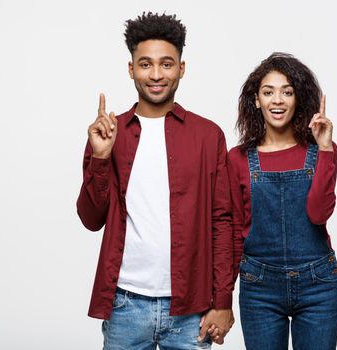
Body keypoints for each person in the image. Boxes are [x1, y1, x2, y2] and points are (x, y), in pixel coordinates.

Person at [76, 12, 234, 349]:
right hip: (125, 305)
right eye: (145, 64)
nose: (156, 74)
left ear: (182, 68)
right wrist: (101, 157)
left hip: (192, 308)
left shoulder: (208, 135)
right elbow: (91, 219)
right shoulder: (108, 132)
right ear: (131, 69)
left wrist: (223, 301)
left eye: (166, 64)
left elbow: (222, 221)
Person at [228, 53, 337, 350]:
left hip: (317, 283)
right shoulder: (238, 159)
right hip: (259, 286)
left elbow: (318, 214)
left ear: (298, 99)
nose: (277, 100)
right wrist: (221, 298)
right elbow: (233, 230)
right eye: (268, 92)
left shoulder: (322, 151)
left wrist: (326, 149)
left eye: (287, 92)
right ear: (256, 100)